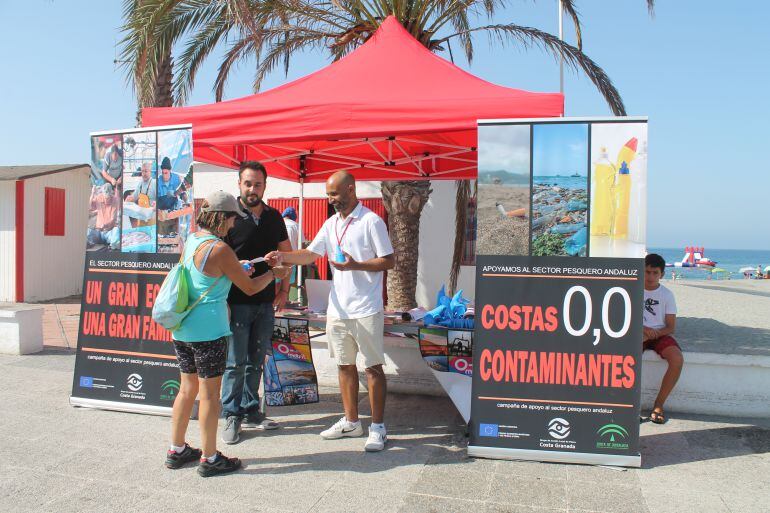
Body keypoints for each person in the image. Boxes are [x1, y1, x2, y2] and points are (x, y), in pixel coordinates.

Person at [266, 170, 395, 452]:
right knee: (344, 366)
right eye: (327, 194)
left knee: (372, 368)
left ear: (351, 189)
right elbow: (311, 254)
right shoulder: (331, 224)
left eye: (334, 194)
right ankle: (351, 421)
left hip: (366, 308)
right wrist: (283, 256)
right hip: (338, 309)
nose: (330, 199)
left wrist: (355, 265)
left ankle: (378, 428)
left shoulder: (371, 222)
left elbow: (389, 261)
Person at [166, 190, 289, 477]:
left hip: (183, 329)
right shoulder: (220, 249)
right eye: (233, 218)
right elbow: (249, 287)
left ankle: (176, 448)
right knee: (210, 396)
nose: (234, 225)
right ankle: (209, 458)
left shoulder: (194, 240)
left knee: (187, 390)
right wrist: (274, 275)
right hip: (209, 332)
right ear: (222, 217)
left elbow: (210, 272)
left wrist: (243, 266)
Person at [220, 161, 293, 444]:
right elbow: (216, 257)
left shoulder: (275, 218)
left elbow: (288, 257)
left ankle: (251, 410)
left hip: (265, 303)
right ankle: (231, 415)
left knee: (255, 361)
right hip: (236, 302)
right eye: (248, 183)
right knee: (234, 363)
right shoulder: (228, 218)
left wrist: (285, 290)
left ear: (265, 185)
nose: (253, 189)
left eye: (258, 184)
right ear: (239, 184)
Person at [642, 253, 684, 424]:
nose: (651, 276)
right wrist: (643, 329)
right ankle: (628, 404)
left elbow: (671, 326)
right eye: (647, 272)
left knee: (677, 359)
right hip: (638, 333)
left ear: (662, 274)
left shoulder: (667, 295)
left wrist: (654, 333)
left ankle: (658, 404)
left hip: (660, 334)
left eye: (655, 273)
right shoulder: (633, 289)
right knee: (625, 358)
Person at [87, 184, 121, 250]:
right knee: (88, 231)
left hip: (109, 232)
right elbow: (89, 207)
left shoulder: (115, 200)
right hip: (98, 232)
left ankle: (113, 246)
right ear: (102, 194)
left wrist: (105, 225)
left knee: (116, 230)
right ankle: (90, 243)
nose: (107, 199)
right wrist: (92, 193)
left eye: (108, 197)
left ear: (111, 193)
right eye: (105, 197)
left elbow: (113, 219)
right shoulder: (99, 197)